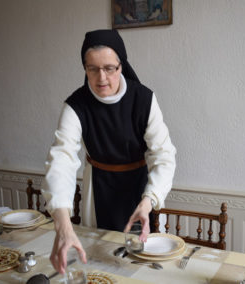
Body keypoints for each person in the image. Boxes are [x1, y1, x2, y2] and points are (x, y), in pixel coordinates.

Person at [41, 29, 176, 274]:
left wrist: (149, 201)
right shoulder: (75, 106)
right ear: (84, 68)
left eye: (109, 68)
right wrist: (63, 226)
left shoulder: (144, 99)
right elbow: (61, 161)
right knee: (99, 266)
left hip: (141, 191)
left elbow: (164, 156)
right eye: (92, 68)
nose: (101, 77)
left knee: (146, 268)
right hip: (98, 190)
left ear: (121, 66)